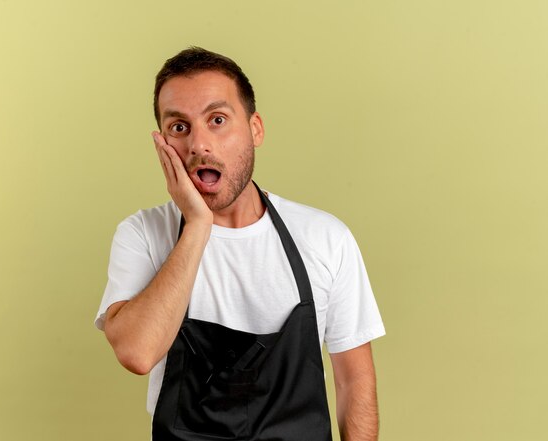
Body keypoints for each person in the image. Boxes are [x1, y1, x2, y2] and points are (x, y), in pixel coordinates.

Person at [95, 47, 385, 441]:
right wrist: (198, 224)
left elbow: (354, 384)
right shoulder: (143, 234)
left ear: (255, 129)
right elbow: (137, 353)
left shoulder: (325, 238)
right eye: (179, 127)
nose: (199, 144)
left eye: (217, 120)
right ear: (163, 143)